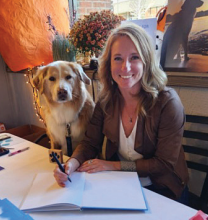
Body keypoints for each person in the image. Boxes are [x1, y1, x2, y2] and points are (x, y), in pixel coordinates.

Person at [54, 22, 189, 203]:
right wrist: (70, 164)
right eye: (117, 58)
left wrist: (112, 166)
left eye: (134, 57)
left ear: (146, 61)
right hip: (122, 184)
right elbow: (89, 143)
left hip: (163, 190)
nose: (125, 67)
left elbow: (162, 165)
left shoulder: (168, 103)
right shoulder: (106, 100)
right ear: (108, 64)